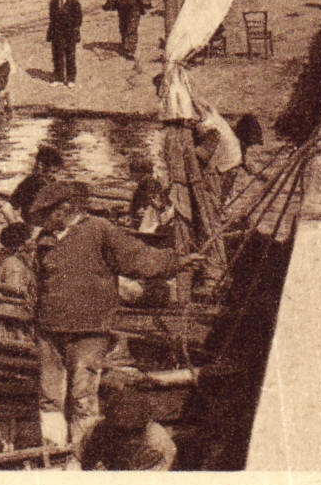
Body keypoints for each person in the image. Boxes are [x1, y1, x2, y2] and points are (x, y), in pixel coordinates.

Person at [26, 180, 202, 444]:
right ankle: (52, 449)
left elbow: (138, 258)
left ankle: (81, 450)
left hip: (89, 329)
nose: (42, 222)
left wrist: (177, 262)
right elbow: (36, 282)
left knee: (82, 397)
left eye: (46, 214)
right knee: (49, 397)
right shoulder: (45, 240)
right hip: (49, 329)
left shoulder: (100, 230)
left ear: (64, 209)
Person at [76, 387, 178, 471]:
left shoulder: (156, 444)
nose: (127, 439)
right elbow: (80, 462)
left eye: (132, 432)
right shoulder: (98, 431)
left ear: (144, 426)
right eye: (119, 431)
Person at [46, 0, 82, 86]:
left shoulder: (75, 3)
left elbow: (78, 20)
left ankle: (71, 79)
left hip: (69, 34)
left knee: (70, 56)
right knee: (57, 56)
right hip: (57, 34)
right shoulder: (53, 3)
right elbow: (51, 19)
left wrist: (68, 23)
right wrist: (50, 33)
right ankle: (58, 78)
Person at [0, 221, 37, 297]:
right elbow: (14, 290)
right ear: (20, 244)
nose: (33, 240)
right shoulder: (14, 264)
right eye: (29, 237)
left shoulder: (23, 262)